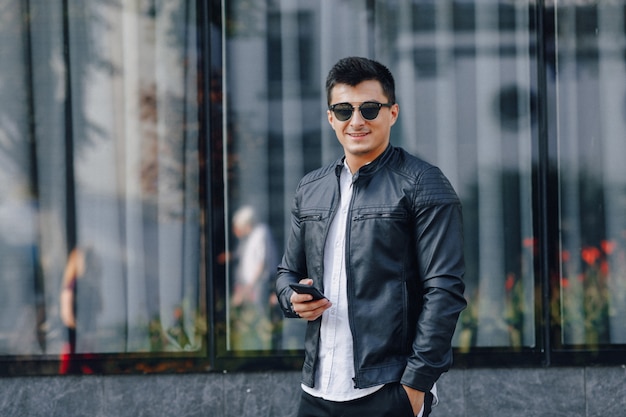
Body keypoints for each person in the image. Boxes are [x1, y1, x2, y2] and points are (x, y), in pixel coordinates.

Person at [276, 57, 466, 417]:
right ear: (331, 117)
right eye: (344, 110)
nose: (357, 120)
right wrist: (292, 298)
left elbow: (445, 292)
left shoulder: (424, 184)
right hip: (316, 389)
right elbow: (287, 273)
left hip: (387, 389)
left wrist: (415, 386)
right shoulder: (310, 188)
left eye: (370, 108)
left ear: (392, 113)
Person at [229, 205, 281, 350]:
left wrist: (248, 288)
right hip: (254, 284)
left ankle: (265, 347)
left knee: (261, 316)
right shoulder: (253, 235)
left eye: (241, 226)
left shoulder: (261, 233)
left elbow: (261, 264)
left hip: (260, 284)